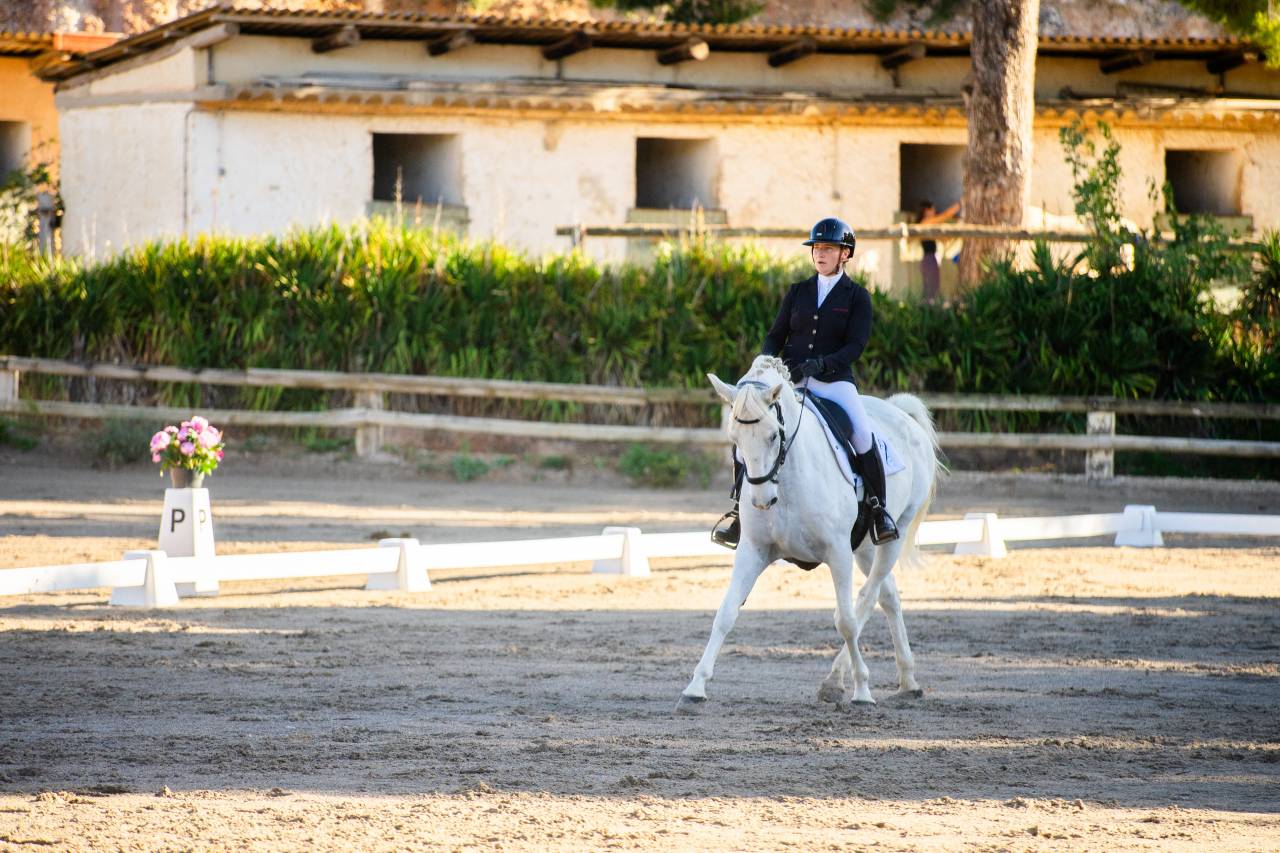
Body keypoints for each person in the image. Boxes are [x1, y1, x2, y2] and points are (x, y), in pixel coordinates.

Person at [711, 217, 899, 550]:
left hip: (834, 383)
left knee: (862, 434)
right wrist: (763, 362)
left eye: (828, 248)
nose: (820, 254)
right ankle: (738, 511)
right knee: (749, 429)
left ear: (844, 254)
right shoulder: (797, 292)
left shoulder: (857, 297)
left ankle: (878, 508)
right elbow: (775, 336)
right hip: (790, 384)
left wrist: (825, 363)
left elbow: (855, 346)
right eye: (816, 248)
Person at [916, 199, 960, 304]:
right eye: (932, 209)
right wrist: (959, 205)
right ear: (926, 210)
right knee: (931, 288)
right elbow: (944, 216)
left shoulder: (929, 227)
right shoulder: (925, 222)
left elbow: (943, 239)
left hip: (932, 259)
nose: (934, 211)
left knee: (933, 287)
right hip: (929, 259)